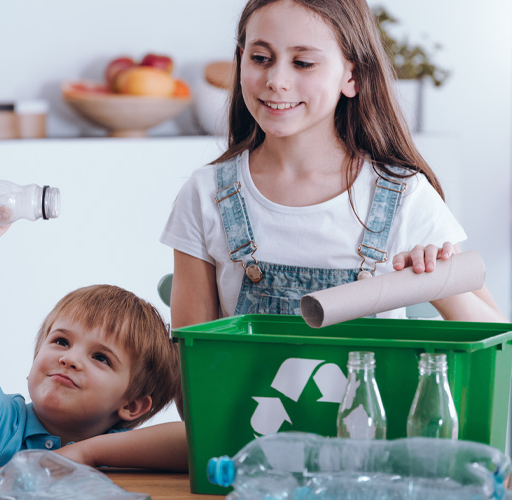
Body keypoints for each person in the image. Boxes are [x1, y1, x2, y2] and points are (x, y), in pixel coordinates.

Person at [162, 0, 507, 329]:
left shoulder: (405, 196)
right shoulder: (207, 194)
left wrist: (440, 284)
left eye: (303, 63)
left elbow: (498, 339)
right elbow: (190, 361)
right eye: (261, 57)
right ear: (241, 60)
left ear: (351, 77)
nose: (276, 80)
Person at [0, 224, 186, 469]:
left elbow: (199, 442)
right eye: (61, 341)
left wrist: (89, 453)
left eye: (100, 357)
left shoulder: (126, 454)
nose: (70, 358)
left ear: (131, 406)